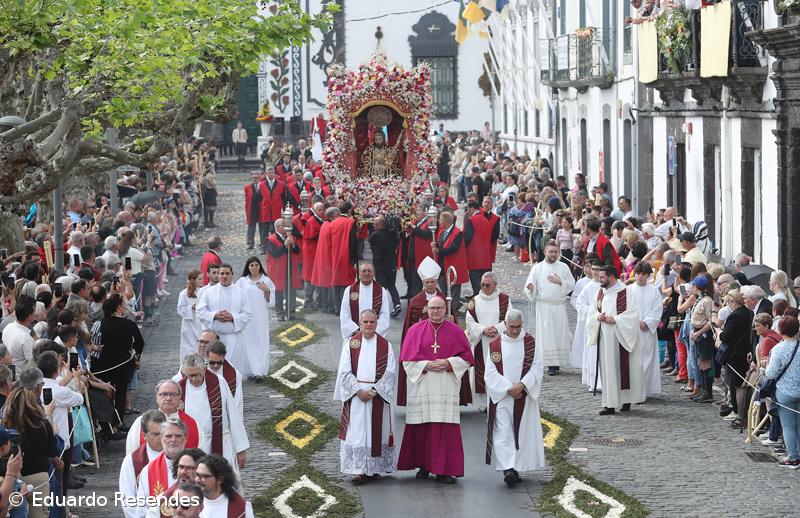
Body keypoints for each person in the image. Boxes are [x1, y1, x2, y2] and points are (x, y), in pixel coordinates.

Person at [397, 296, 475, 484]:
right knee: (421, 427)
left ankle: (444, 470)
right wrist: (426, 365)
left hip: (445, 387)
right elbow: (407, 361)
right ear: (426, 309)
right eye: (432, 308)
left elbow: (467, 359)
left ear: (444, 310)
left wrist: (449, 363)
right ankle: (423, 465)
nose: (436, 311)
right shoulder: (415, 331)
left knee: (444, 429)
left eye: (439, 308)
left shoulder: (456, 331)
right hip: (423, 387)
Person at [484, 309, 545, 486]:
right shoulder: (495, 345)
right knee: (503, 432)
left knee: (521, 432)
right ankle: (508, 468)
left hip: (523, 395)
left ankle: (517, 465)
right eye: (512, 327)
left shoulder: (530, 343)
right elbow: (490, 372)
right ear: (505, 324)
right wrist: (509, 388)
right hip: (503, 396)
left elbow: (537, 366)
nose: (515, 331)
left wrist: (522, 385)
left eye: (518, 327)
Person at [334, 309, 396, 482]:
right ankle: (359, 469)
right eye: (365, 322)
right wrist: (357, 391)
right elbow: (344, 371)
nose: (369, 325)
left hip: (377, 395)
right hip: (357, 397)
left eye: (372, 322)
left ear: (376, 323)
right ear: (359, 324)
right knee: (358, 433)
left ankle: (374, 468)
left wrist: (376, 390)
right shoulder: (351, 344)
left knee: (378, 431)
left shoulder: (385, 345)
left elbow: (390, 372)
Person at [586, 266, 644, 415]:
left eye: (602, 277)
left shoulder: (625, 292)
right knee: (608, 370)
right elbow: (592, 310)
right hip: (605, 339)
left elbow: (633, 315)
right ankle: (609, 404)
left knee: (622, 369)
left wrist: (616, 320)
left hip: (620, 338)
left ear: (611, 277)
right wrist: (597, 317)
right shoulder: (600, 292)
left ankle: (625, 401)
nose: (600, 279)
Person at [3, 369, 59, 518]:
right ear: (39, 387)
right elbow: (53, 451)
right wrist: (48, 417)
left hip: (12, 478)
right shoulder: (41, 423)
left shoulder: (6, 420)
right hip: (37, 476)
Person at [179, 354, 249, 472]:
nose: (194, 379)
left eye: (198, 375)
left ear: (204, 370)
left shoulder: (219, 382)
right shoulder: (180, 388)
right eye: (190, 376)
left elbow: (233, 414)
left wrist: (240, 449)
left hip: (220, 442)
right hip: (192, 445)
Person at [524, 241, 576, 375]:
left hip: (558, 306)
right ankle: (549, 364)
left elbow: (571, 284)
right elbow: (530, 284)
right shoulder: (538, 267)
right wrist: (531, 288)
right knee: (547, 335)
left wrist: (561, 282)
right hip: (544, 307)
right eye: (550, 251)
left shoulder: (563, 267)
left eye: (555, 252)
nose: (553, 254)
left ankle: (557, 362)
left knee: (559, 334)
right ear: (545, 252)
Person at [38, 351, 84, 494]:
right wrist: (76, 379)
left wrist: (69, 375)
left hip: (42, 437)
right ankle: (62, 509)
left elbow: (57, 382)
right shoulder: (61, 392)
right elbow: (79, 399)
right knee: (60, 480)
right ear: (57, 370)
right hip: (60, 439)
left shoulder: (38, 387)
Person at [465, 272, 512, 408]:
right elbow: (469, 321)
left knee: (499, 371)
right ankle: (484, 404)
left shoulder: (504, 300)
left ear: (495, 285)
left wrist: (497, 329)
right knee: (482, 372)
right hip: (481, 341)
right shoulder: (474, 301)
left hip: (499, 342)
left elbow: (510, 319)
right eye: (482, 285)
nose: (484, 287)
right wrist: (483, 330)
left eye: (487, 285)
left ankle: (499, 398)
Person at [196, 264, 253, 373]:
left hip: (234, 337)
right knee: (214, 369)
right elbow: (200, 311)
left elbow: (248, 314)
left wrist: (233, 317)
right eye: (222, 273)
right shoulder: (209, 292)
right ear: (218, 275)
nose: (224, 276)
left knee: (233, 370)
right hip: (214, 338)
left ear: (232, 275)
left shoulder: (241, 292)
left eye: (227, 273)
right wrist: (215, 315)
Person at [96, 293, 145, 420]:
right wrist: (136, 357)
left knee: (106, 392)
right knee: (120, 393)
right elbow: (140, 343)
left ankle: (108, 420)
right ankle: (118, 421)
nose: (126, 307)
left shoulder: (101, 323)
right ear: (119, 307)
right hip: (123, 362)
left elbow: (96, 341)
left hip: (105, 362)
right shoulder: (129, 324)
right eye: (124, 305)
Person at [125, 380, 204, 455]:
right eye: (164, 394)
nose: (168, 398)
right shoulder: (141, 422)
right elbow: (132, 455)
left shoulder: (193, 424)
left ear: (180, 397)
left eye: (173, 394)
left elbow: (200, 457)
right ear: (156, 397)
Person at [765, 316, 800, 468]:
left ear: (781, 330)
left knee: (788, 426)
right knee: (798, 424)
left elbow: (771, 373)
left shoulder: (778, 349)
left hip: (785, 391)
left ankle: (793, 457)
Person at [119, 410, 166, 518]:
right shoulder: (131, 461)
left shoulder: (177, 458)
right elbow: (128, 500)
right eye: (155, 434)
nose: (161, 438)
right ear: (144, 435)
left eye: (163, 433)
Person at [235, 257, 275, 379]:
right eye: (251, 265)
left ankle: (260, 371)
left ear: (260, 266)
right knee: (248, 343)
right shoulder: (242, 281)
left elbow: (272, 303)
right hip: (247, 318)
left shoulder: (266, 280)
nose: (254, 267)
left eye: (256, 265)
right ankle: (250, 370)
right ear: (248, 267)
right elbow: (236, 298)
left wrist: (266, 291)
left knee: (261, 342)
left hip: (260, 317)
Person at [719, 290, 754, 427]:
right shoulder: (748, 313)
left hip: (736, 355)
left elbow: (726, 336)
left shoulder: (735, 316)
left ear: (734, 302)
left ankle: (740, 416)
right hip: (745, 352)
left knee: (739, 386)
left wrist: (719, 332)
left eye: (729, 302)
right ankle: (741, 414)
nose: (728, 305)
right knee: (741, 386)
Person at [136, 419, 187, 511]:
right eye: (168, 436)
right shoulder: (148, 471)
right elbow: (142, 510)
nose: (173, 439)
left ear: (185, 438)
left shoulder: (198, 467)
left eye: (178, 436)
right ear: (161, 439)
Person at [629, 262, 664, 397]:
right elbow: (625, 309)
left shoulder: (654, 291)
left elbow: (657, 309)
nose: (640, 277)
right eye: (638, 273)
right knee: (634, 361)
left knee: (647, 361)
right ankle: (634, 390)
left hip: (647, 331)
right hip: (633, 330)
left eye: (643, 274)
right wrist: (635, 322)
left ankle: (646, 390)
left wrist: (647, 322)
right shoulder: (628, 290)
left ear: (648, 275)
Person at [339, 263, 391, 339]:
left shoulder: (381, 291)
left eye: (369, 271)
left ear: (374, 273)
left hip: (375, 335)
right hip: (354, 335)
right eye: (364, 271)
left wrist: (372, 331)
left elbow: (385, 315)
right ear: (359, 273)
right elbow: (344, 314)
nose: (366, 273)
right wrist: (356, 330)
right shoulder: (349, 290)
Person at [432, 210, 468, 314]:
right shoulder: (441, 232)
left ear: (446, 221)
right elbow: (440, 245)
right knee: (444, 290)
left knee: (454, 291)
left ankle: (453, 312)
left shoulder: (458, 233)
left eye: (440, 220)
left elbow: (453, 248)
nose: (439, 222)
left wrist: (439, 250)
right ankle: (445, 310)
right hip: (442, 266)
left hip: (453, 266)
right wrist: (435, 246)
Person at [265, 220, 301, 321]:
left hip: (291, 268)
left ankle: (291, 312)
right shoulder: (270, 239)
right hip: (278, 270)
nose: (286, 228)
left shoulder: (289, 237)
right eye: (284, 226)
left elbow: (297, 251)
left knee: (292, 291)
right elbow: (274, 254)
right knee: (279, 291)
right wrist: (285, 245)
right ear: (278, 227)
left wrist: (293, 245)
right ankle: (280, 313)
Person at [368, 215, 402, 317]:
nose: (373, 225)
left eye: (376, 223)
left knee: (380, 287)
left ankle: (379, 307)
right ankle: (397, 304)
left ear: (381, 224)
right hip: (391, 264)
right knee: (391, 285)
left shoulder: (375, 235)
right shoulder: (392, 235)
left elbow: (371, 242)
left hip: (380, 265)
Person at [204, 340, 243, 421]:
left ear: (224, 357)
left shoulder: (234, 375)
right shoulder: (199, 372)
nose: (215, 366)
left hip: (224, 421)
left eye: (219, 363)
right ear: (206, 357)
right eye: (212, 362)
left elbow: (237, 404)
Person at [330, 202, 358, 306]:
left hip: (335, 254)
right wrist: (354, 257)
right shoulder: (350, 222)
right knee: (347, 281)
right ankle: (346, 305)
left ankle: (336, 306)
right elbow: (353, 241)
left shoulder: (333, 223)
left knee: (336, 280)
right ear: (349, 210)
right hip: (347, 255)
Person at [403, 206, 435, 298]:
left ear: (425, 211)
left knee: (419, 279)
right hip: (413, 255)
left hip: (422, 255)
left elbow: (425, 234)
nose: (416, 212)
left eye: (419, 209)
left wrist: (413, 227)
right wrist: (408, 231)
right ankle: (412, 295)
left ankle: (416, 298)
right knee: (413, 277)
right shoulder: (417, 222)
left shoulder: (429, 222)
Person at [464, 201, 493, 295]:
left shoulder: (472, 220)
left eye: (468, 209)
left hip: (475, 256)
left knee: (476, 283)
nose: (467, 211)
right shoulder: (485, 219)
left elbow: (467, 238)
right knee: (486, 281)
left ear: (472, 208)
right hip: (485, 256)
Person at [311, 207, 336, 314]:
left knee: (324, 285)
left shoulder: (325, 225)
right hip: (328, 259)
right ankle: (328, 306)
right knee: (328, 285)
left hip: (323, 258)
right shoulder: (330, 226)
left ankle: (324, 304)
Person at [302, 202, 325, 310]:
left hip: (317, 252)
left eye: (322, 209)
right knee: (309, 277)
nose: (321, 211)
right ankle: (308, 301)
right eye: (319, 210)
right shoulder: (312, 221)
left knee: (318, 276)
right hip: (311, 253)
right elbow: (312, 236)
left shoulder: (321, 220)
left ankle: (318, 301)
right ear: (315, 210)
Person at [177, 269, 203, 362]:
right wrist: (191, 307)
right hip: (189, 324)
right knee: (189, 347)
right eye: (199, 279)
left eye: (202, 279)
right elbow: (180, 309)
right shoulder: (184, 293)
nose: (202, 281)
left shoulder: (203, 291)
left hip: (200, 323)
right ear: (193, 280)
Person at [4, 301, 35, 371]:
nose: (35, 314)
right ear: (29, 316)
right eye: (34, 313)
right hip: (21, 377)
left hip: (10, 372)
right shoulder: (26, 338)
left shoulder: (8, 327)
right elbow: (32, 362)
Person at [243, 171, 268, 252]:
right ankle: (250, 243)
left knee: (262, 227)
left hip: (261, 210)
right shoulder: (247, 187)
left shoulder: (263, 186)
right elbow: (247, 200)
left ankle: (262, 243)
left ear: (259, 178)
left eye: (256, 178)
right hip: (252, 210)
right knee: (251, 227)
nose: (255, 179)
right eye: (253, 178)